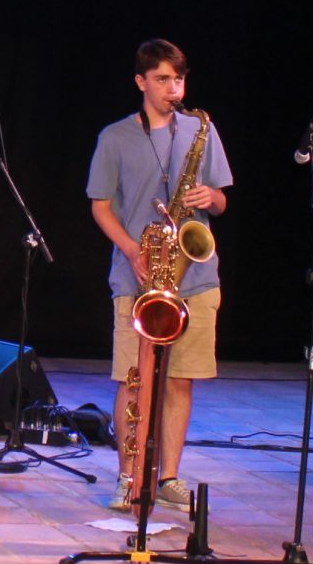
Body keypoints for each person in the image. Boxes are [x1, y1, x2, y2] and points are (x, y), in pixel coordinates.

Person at [87, 40, 231, 513]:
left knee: (180, 380)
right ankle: (128, 477)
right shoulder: (115, 136)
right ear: (141, 82)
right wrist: (131, 250)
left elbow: (222, 201)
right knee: (133, 379)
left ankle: (169, 477)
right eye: (164, 79)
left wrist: (211, 198)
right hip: (139, 274)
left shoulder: (201, 129)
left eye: (179, 79)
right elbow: (100, 206)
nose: (174, 89)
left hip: (194, 277)